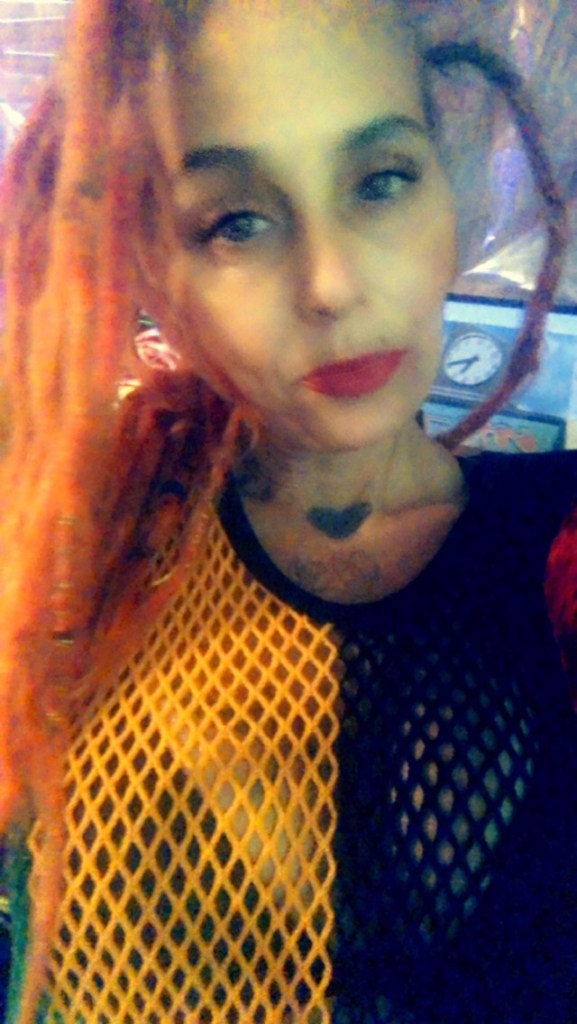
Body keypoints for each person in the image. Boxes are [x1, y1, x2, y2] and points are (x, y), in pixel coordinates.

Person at [1, 1, 577, 1022]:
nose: (331, 283)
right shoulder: (73, 547)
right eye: (236, 221)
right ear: (153, 267)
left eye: (380, 180)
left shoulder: (560, 543)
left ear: (447, 182)